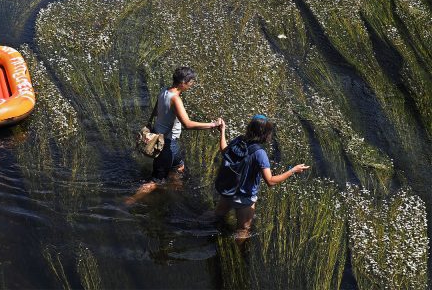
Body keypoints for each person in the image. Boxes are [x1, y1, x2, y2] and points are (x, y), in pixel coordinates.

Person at [126, 67, 222, 205]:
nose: (192, 85)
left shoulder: (164, 90)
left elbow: (155, 110)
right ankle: (130, 201)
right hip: (166, 144)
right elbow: (187, 124)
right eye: (191, 82)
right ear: (183, 82)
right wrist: (213, 125)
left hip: (167, 141)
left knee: (179, 167)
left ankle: (174, 192)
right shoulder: (176, 99)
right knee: (156, 181)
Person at [214, 114, 309, 243]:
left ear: (250, 128)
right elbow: (270, 181)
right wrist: (293, 170)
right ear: (265, 134)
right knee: (243, 230)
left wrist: (223, 131)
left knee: (217, 216)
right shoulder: (260, 153)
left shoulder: (240, 140)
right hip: (244, 198)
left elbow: (224, 152)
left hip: (228, 190)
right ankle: (236, 255)